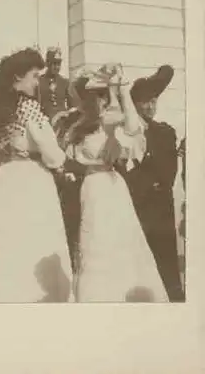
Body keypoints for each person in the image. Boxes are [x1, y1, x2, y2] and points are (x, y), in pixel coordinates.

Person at [63, 63, 168, 302]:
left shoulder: (110, 122)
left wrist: (121, 90)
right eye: (97, 95)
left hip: (112, 186)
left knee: (120, 241)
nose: (102, 100)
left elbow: (134, 128)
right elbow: (69, 158)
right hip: (91, 187)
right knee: (95, 242)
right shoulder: (79, 127)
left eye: (103, 94)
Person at [0, 48, 74, 303]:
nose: (36, 82)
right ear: (17, 77)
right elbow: (52, 153)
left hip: (4, 178)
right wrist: (57, 161)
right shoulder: (28, 107)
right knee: (35, 242)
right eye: (33, 76)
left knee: (7, 243)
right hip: (31, 179)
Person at [124, 66, 184, 302]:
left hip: (160, 209)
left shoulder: (165, 132)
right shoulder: (128, 132)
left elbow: (168, 173)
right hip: (137, 207)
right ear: (135, 104)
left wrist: (149, 180)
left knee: (166, 263)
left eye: (154, 101)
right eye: (144, 102)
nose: (150, 107)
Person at [38, 47, 72, 121]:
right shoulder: (39, 81)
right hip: (45, 122)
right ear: (47, 63)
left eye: (59, 64)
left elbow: (73, 105)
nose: (57, 67)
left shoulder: (65, 82)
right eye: (54, 63)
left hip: (63, 122)